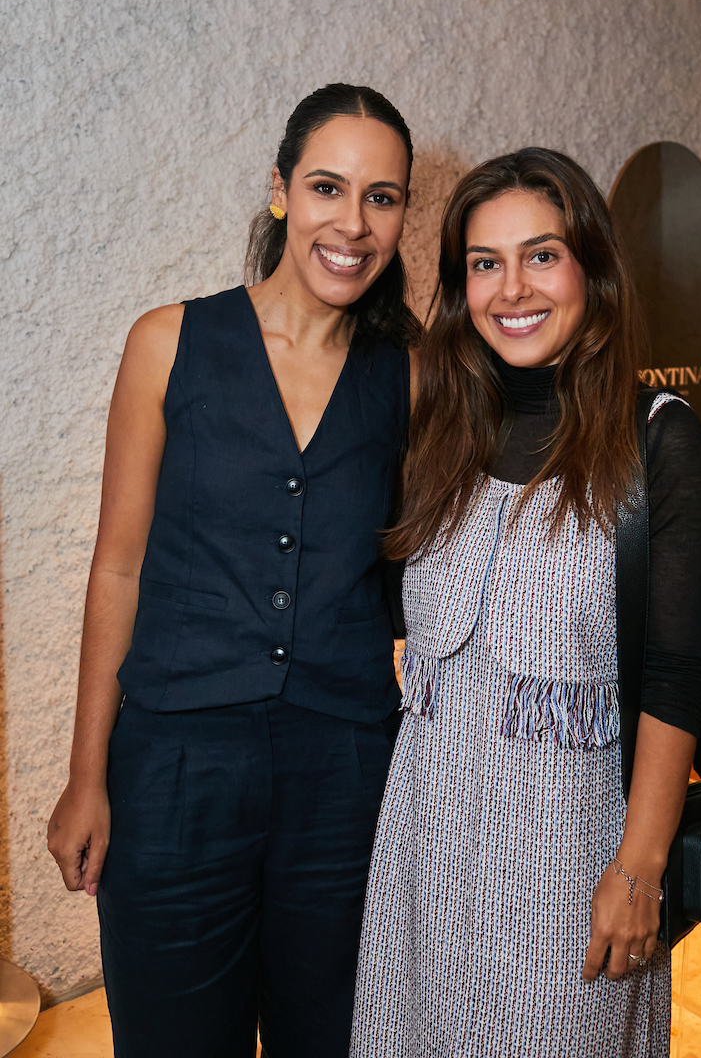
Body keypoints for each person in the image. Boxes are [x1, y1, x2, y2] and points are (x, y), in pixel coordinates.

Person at [47, 83, 421, 1058]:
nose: (351, 222)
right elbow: (118, 569)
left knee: (328, 1040)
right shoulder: (167, 343)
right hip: (172, 767)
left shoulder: (413, 379)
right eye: (328, 187)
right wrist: (87, 775)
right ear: (279, 192)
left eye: (381, 197)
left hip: (343, 772)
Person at [350, 148, 701, 1057]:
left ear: (592, 269)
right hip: (424, 849)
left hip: (570, 861)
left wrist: (638, 872)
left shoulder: (659, 446)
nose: (511, 288)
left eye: (542, 255)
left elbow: (675, 678)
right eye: (485, 263)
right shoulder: (442, 426)